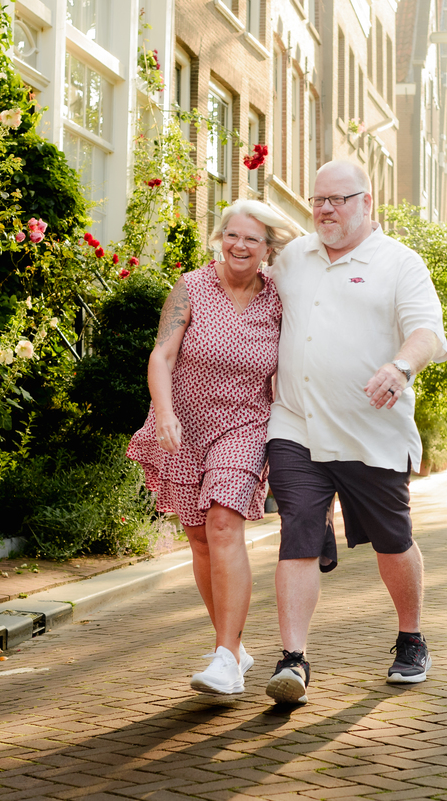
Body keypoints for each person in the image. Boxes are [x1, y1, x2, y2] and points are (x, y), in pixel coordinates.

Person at [263, 161, 447, 705]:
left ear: (368, 201)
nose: (324, 209)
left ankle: (411, 638)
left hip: (372, 431)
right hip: (296, 424)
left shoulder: (398, 263)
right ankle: (293, 661)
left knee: (392, 540)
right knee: (296, 530)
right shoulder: (295, 256)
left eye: (338, 199)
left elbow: (426, 333)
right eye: (318, 199)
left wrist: (400, 368)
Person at [127, 200, 297, 695]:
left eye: (252, 239)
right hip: (183, 422)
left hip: (244, 424)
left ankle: (225, 656)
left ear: (269, 248)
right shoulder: (192, 287)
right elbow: (162, 354)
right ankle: (234, 649)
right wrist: (164, 413)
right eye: (232, 235)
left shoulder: (279, 299)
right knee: (199, 538)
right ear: (220, 238)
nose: (240, 246)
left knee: (224, 523)